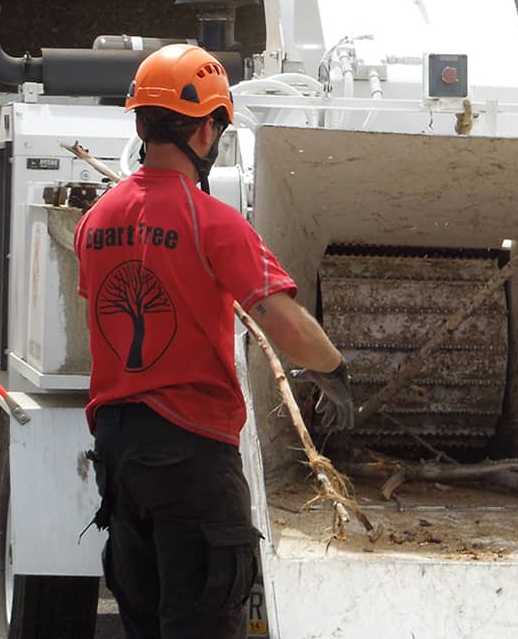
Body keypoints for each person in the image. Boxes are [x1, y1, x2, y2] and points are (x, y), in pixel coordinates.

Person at [75, 44, 355, 638]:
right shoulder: (214, 222)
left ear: (141, 122)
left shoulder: (95, 221)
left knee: (145, 623)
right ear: (206, 131)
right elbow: (284, 324)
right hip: (190, 451)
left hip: (119, 451)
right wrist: (334, 369)